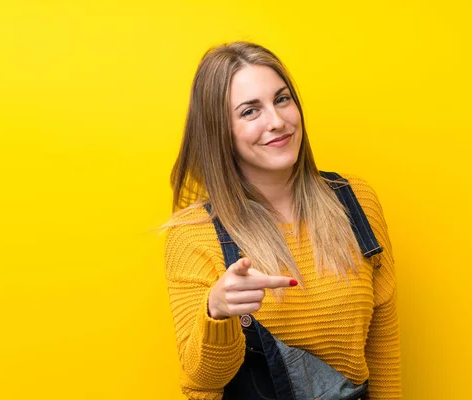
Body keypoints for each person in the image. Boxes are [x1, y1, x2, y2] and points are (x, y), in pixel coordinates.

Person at [162, 41, 401, 400]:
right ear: (219, 130)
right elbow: (204, 381)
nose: (277, 122)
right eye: (249, 111)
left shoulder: (355, 202)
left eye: (282, 99)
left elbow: (383, 342)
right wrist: (217, 312)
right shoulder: (194, 235)